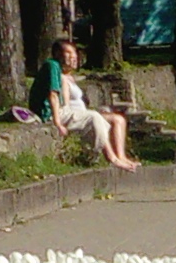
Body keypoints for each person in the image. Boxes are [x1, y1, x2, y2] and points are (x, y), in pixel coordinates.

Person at [34, 39, 135, 169]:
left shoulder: (59, 70)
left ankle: (119, 157)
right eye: (69, 53)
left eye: (74, 53)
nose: (73, 57)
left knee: (108, 118)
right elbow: (54, 96)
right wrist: (58, 123)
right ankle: (112, 158)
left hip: (66, 112)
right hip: (52, 114)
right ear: (58, 54)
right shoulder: (52, 66)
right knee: (94, 117)